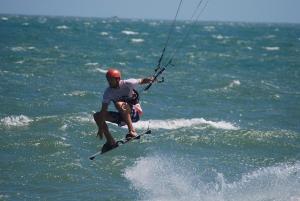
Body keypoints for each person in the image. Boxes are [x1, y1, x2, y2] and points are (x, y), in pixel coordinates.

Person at [93, 68, 153, 151]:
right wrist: (100, 128)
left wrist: (151, 79)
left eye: (110, 80)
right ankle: (110, 142)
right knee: (97, 116)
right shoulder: (108, 92)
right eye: (108, 80)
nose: (109, 82)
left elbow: (141, 80)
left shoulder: (128, 83)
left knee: (119, 104)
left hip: (134, 114)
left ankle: (132, 131)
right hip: (122, 117)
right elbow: (103, 110)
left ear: (117, 79)